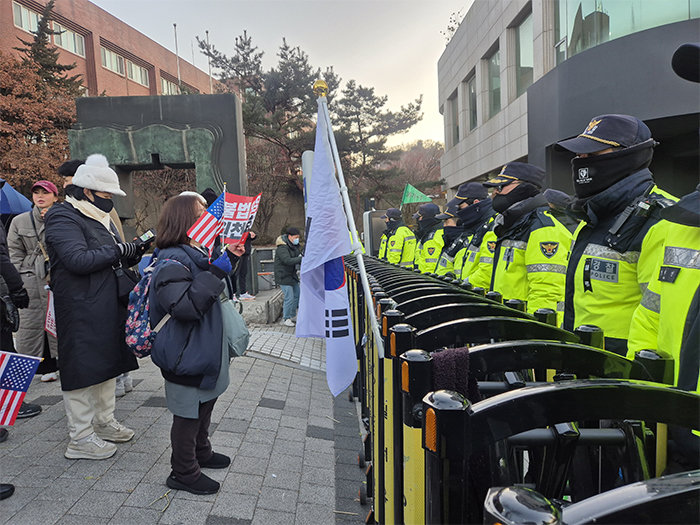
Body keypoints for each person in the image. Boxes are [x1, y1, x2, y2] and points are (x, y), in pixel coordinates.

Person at [45, 153, 143, 460]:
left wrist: (133, 252)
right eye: (105, 195)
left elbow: (108, 256)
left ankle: (103, 421)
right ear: (86, 191)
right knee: (82, 368)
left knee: (108, 363)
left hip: (107, 302)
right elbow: (77, 260)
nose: (110, 200)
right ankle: (81, 437)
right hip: (80, 307)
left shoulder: (98, 216)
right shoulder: (63, 216)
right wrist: (118, 250)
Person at [148, 194, 247, 495]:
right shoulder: (171, 260)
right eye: (201, 212)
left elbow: (209, 287)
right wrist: (217, 270)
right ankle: (183, 471)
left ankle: (201, 451)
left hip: (200, 348)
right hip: (184, 352)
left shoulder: (195, 253)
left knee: (206, 401)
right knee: (188, 414)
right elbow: (186, 307)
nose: (209, 216)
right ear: (184, 220)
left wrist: (229, 258)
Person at [557, 114, 676, 355]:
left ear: (628, 156)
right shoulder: (592, 217)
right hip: (582, 371)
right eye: (580, 155)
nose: (581, 161)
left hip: (623, 381)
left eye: (592, 154)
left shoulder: (662, 220)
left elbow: (663, 322)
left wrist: (636, 386)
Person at [482, 162, 572, 316]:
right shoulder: (513, 225)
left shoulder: (543, 228)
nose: (494, 194)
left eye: (500, 187)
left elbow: (546, 293)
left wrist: (531, 332)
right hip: (507, 325)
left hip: (523, 328)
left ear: (524, 187)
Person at [7, 180, 60, 382]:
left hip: (57, 276)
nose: (40, 196)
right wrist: (22, 274)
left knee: (59, 321)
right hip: (29, 278)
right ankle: (40, 368)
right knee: (31, 325)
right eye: (36, 192)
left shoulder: (63, 217)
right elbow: (14, 253)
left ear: (55, 196)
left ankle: (61, 363)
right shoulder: (19, 221)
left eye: (45, 193)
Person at [449, 182, 497, 282]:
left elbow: (488, 272)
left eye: (460, 206)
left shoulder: (492, 226)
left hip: (480, 293)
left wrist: (464, 285)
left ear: (475, 203)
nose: (458, 210)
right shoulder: (476, 225)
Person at [274, 227, 302, 327]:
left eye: (298, 237)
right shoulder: (282, 248)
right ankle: (286, 318)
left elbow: (297, 255)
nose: (297, 239)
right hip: (283, 276)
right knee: (289, 297)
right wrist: (300, 259)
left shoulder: (294, 246)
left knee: (297, 295)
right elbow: (287, 260)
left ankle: (292, 315)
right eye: (295, 237)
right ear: (289, 236)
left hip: (291, 275)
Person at [413, 203, 444, 274]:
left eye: (420, 217)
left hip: (428, 281)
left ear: (427, 218)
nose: (419, 220)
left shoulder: (433, 237)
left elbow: (431, 265)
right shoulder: (428, 233)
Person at [236, 230, 257, 299]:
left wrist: (253, 236)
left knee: (243, 273)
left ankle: (243, 292)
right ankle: (234, 293)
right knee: (236, 273)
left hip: (246, 252)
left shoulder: (246, 227)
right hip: (238, 252)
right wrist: (248, 235)